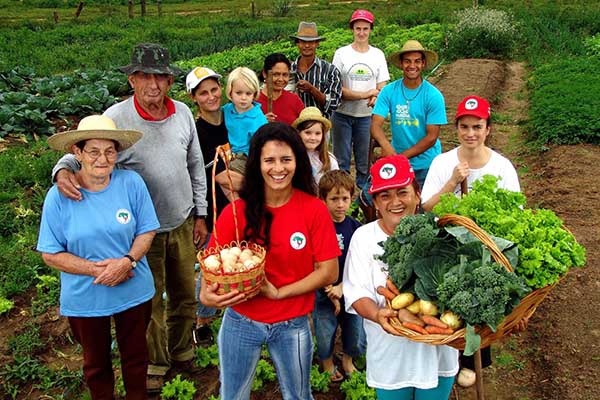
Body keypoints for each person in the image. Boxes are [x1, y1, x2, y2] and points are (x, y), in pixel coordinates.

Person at [52, 43, 208, 392]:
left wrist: (201, 213)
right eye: (145, 77)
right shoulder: (117, 118)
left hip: (182, 221)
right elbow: (86, 150)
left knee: (184, 294)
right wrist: (61, 169)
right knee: (148, 303)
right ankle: (156, 361)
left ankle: (183, 350)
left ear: (170, 82)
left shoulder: (182, 113)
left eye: (161, 78)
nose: (153, 85)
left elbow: (195, 165)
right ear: (133, 80)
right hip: (138, 231)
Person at [199, 122, 341, 400]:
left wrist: (278, 292)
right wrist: (208, 296)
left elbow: (328, 272)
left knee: (298, 396)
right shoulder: (236, 212)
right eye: (269, 160)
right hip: (241, 319)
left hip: (293, 322)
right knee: (233, 395)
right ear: (257, 164)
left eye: (286, 159)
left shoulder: (313, 210)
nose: (278, 168)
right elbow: (211, 270)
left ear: (298, 162)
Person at [38, 115, 160, 399]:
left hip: (133, 287)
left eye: (109, 151)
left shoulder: (131, 183)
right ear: (77, 153)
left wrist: (127, 262)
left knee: (136, 357)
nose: (102, 159)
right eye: (93, 151)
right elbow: (51, 254)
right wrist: (96, 270)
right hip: (86, 296)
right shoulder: (58, 197)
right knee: (96, 364)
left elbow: (147, 231)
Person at [420, 95, 521, 387]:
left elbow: (515, 216)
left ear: (488, 128)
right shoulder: (443, 163)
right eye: (464, 126)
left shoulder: (502, 168)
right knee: (448, 299)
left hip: (489, 249)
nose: (471, 133)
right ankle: (448, 357)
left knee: (481, 302)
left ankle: (474, 359)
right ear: (457, 128)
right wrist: (451, 183)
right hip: (449, 246)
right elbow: (426, 209)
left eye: (477, 126)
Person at [343, 155, 458, 399]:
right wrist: (377, 313)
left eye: (402, 192)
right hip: (390, 356)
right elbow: (357, 293)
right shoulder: (363, 238)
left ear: (417, 194)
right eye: (385, 195)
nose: (395, 202)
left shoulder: (442, 231)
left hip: (438, 351)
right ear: (375, 202)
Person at [185, 66, 228, 346]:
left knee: (239, 258)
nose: (211, 96)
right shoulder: (195, 131)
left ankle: (237, 309)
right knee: (211, 264)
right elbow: (194, 174)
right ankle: (202, 319)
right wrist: (199, 215)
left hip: (242, 202)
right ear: (194, 98)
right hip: (214, 206)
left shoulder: (234, 117)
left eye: (214, 89)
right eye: (204, 93)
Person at [371, 39, 446, 189]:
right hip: (397, 159)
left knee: (424, 208)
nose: (412, 66)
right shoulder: (389, 91)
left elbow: (431, 137)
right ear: (401, 64)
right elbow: (375, 125)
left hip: (426, 164)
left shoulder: (433, 95)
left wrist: (400, 157)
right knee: (374, 199)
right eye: (407, 61)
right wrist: (386, 147)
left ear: (423, 64)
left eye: (417, 61)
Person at [314, 170, 365, 383]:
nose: (340, 204)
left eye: (345, 199)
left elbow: (361, 264)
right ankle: (326, 362)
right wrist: (331, 291)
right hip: (323, 292)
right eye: (334, 199)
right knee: (325, 332)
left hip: (351, 289)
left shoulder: (356, 229)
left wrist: (343, 287)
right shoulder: (317, 227)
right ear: (323, 200)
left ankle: (348, 359)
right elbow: (315, 262)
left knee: (355, 332)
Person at [332, 9, 390, 189]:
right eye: (358, 28)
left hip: (366, 116)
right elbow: (337, 88)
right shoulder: (342, 53)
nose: (362, 33)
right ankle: (344, 194)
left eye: (365, 28)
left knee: (364, 162)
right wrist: (366, 94)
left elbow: (382, 86)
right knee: (342, 161)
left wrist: (376, 96)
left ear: (371, 30)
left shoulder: (377, 55)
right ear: (352, 29)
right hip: (342, 114)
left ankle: (363, 199)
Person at [220, 66, 268, 200]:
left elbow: (262, 144)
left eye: (248, 94)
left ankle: (237, 204)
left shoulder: (257, 117)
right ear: (230, 92)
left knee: (224, 177)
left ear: (254, 94)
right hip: (228, 153)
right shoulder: (227, 110)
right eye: (239, 93)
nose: (243, 98)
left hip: (247, 156)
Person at [290, 22, 342, 119]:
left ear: (317, 43)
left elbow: (334, 104)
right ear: (297, 43)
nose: (306, 45)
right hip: (293, 125)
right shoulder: (289, 70)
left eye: (311, 42)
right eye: (303, 42)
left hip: (320, 126)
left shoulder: (330, 70)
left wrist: (312, 90)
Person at [292, 106, 339, 184]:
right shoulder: (292, 157)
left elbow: (336, 184)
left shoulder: (329, 159)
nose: (313, 138)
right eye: (308, 133)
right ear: (298, 133)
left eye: (317, 133)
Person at [257, 53, 305, 125]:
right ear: (264, 73)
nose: (281, 79)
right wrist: (260, 122)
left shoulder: (294, 100)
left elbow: (304, 128)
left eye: (285, 75)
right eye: (276, 74)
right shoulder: (253, 101)